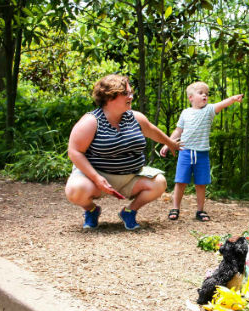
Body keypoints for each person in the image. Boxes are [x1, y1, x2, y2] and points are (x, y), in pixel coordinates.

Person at [65, 74, 181, 230]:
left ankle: (129, 212)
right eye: (126, 93)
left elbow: (152, 131)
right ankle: (91, 210)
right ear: (110, 97)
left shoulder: (135, 117)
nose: (131, 97)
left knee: (159, 183)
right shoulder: (91, 121)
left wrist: (170, 143)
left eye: (131, 93)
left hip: (130, 177)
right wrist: (96, 178)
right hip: (97, 178)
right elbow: (74, 152)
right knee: (75, 190)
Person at [160, 81, 243, 221]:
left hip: (202, 154)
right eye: (200, 93)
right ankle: (175, 208)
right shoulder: (185, 113)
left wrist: (233, 99)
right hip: (185, 152)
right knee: (180, 181)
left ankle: (200, 211)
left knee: (201, 183)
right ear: (191, 97)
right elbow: (178, 131)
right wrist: (167, 143)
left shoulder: (209, 110)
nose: (204, 95)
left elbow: (222, 104)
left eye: (206, 93)